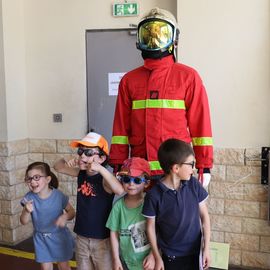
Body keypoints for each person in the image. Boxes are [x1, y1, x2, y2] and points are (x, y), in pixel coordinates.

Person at [109, 7, 213, 188]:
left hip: (176, 171)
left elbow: (200, 125)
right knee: (142, 217)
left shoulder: (188, 77)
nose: (154, 41)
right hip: (140, 173)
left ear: (174, 39)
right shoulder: (129, 80)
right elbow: (121, 129)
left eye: (161, 34)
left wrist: (204, 166)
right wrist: (117, 163)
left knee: (176, 217)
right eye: (147, 35)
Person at [53, 132, 124, 270]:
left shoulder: (104, 179)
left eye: (89, 152)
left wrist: (100, 169)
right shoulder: (81, 173)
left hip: (102, 240)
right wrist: (67, 159)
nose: (83, 156)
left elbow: (120, 190)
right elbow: (58, 167)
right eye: (80, 151)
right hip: (81, 237)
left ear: (102, 158)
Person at [142, 139, 211, 270]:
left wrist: (206, 248)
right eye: (191, 164)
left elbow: (205, 218)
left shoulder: (194, 185)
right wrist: (156, 257)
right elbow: (150, 228)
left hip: (196, 253)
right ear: (176, 168)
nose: (193, 168)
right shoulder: (154, 195)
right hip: (171, 257)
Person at [20, 162, 75, 270]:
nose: (32, 181)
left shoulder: (59, 196)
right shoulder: (29, 198)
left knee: (63, 266)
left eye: (36, 177)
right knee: (45, 268)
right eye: (29, 179)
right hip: (41, 239)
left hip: (59, 237)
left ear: (48, 179)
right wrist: (26, 211)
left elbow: (72, 212)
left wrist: (65, 217)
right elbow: (23, 221)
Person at [106, 157, 155, 270]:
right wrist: (116, 258)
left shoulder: (150, 203)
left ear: (146, 183)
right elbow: (113, 233)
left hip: (148, 263)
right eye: (127, 179)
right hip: (127, 262)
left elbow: (159, 231)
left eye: (137, 180)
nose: (131, 184)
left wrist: (153, 255)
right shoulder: (118, 206)